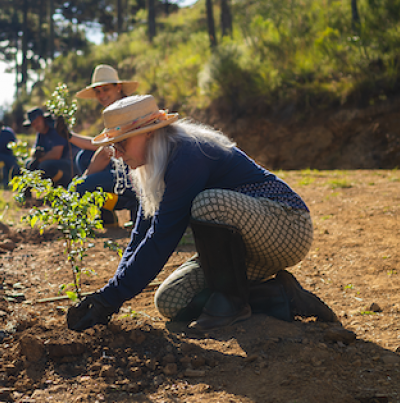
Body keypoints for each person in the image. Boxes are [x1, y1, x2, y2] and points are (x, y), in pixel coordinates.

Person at [66, 95, 338, 332]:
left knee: (208, 203)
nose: (116, 153)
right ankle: (281, 295)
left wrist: (111, 297)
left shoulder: (188, 154)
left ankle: (231, 304)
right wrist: (107, 295)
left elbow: (162, 237)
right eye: (114, 145)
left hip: (286, 227)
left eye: (122, 143)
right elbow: (142, 233)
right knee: (172, 300)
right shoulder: (155, 162)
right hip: (245, 248)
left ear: (149, 132)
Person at [59, 64, 140, 225]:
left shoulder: (123, 111)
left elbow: (105, 152)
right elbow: (99, 144)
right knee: (84, 157)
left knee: (83, 186)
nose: (101, 95)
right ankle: (108, 211)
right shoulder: (116, 109)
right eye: (98, 91)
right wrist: (68, 136)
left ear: (118, 87)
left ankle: (133, 206)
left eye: (106, 89)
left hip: (136, 178)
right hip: (128, 171)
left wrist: (81, 184)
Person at [24, 107, 78, 187]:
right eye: (33, 123)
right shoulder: (40, 134)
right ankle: (28, 193)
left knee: (44, 166)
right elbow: (35, 151)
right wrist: (35, 155)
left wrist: (39, 159)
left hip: (72, 165)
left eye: (37, 121)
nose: (36, 125)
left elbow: (56, 154)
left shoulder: (55, 130)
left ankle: (64, 186)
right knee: (28, 163)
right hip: (57, 164)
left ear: (43, 119)